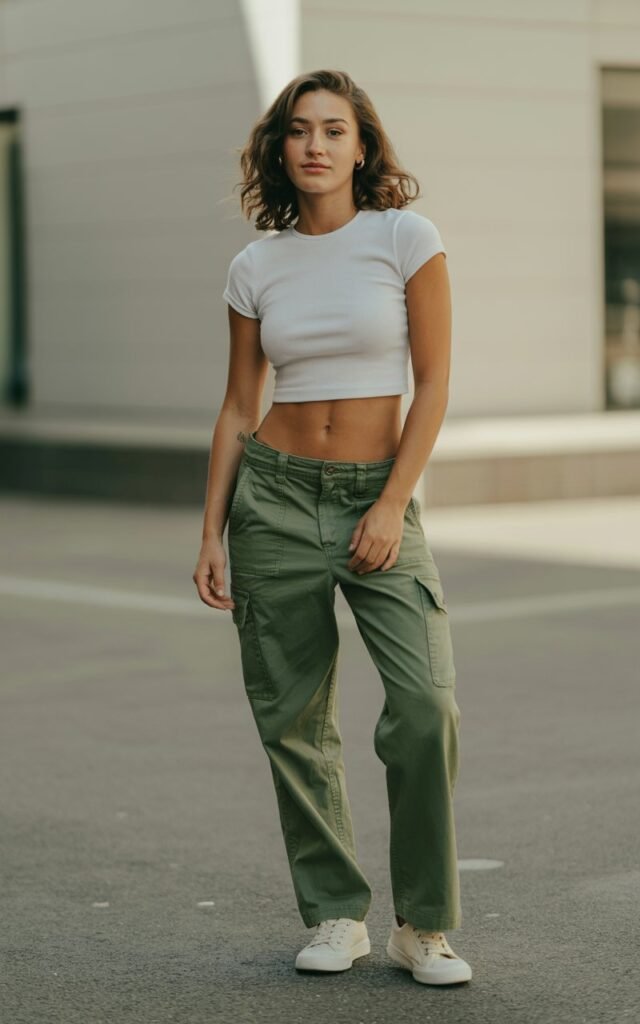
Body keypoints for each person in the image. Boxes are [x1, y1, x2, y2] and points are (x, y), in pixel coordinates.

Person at [193, 69, 472, 987]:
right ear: (280, 149)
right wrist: (211, 531)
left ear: (363, 148)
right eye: (299, 131)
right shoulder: (255, 263)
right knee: (293, 717)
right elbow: (240, 405)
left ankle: (423, 925)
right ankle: (335, 914)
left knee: (426, 705)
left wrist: (391, 502)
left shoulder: (404, 238)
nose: (316, 145)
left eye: (335, 130)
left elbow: (431, 384)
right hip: (271, 498)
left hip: (375, 492)